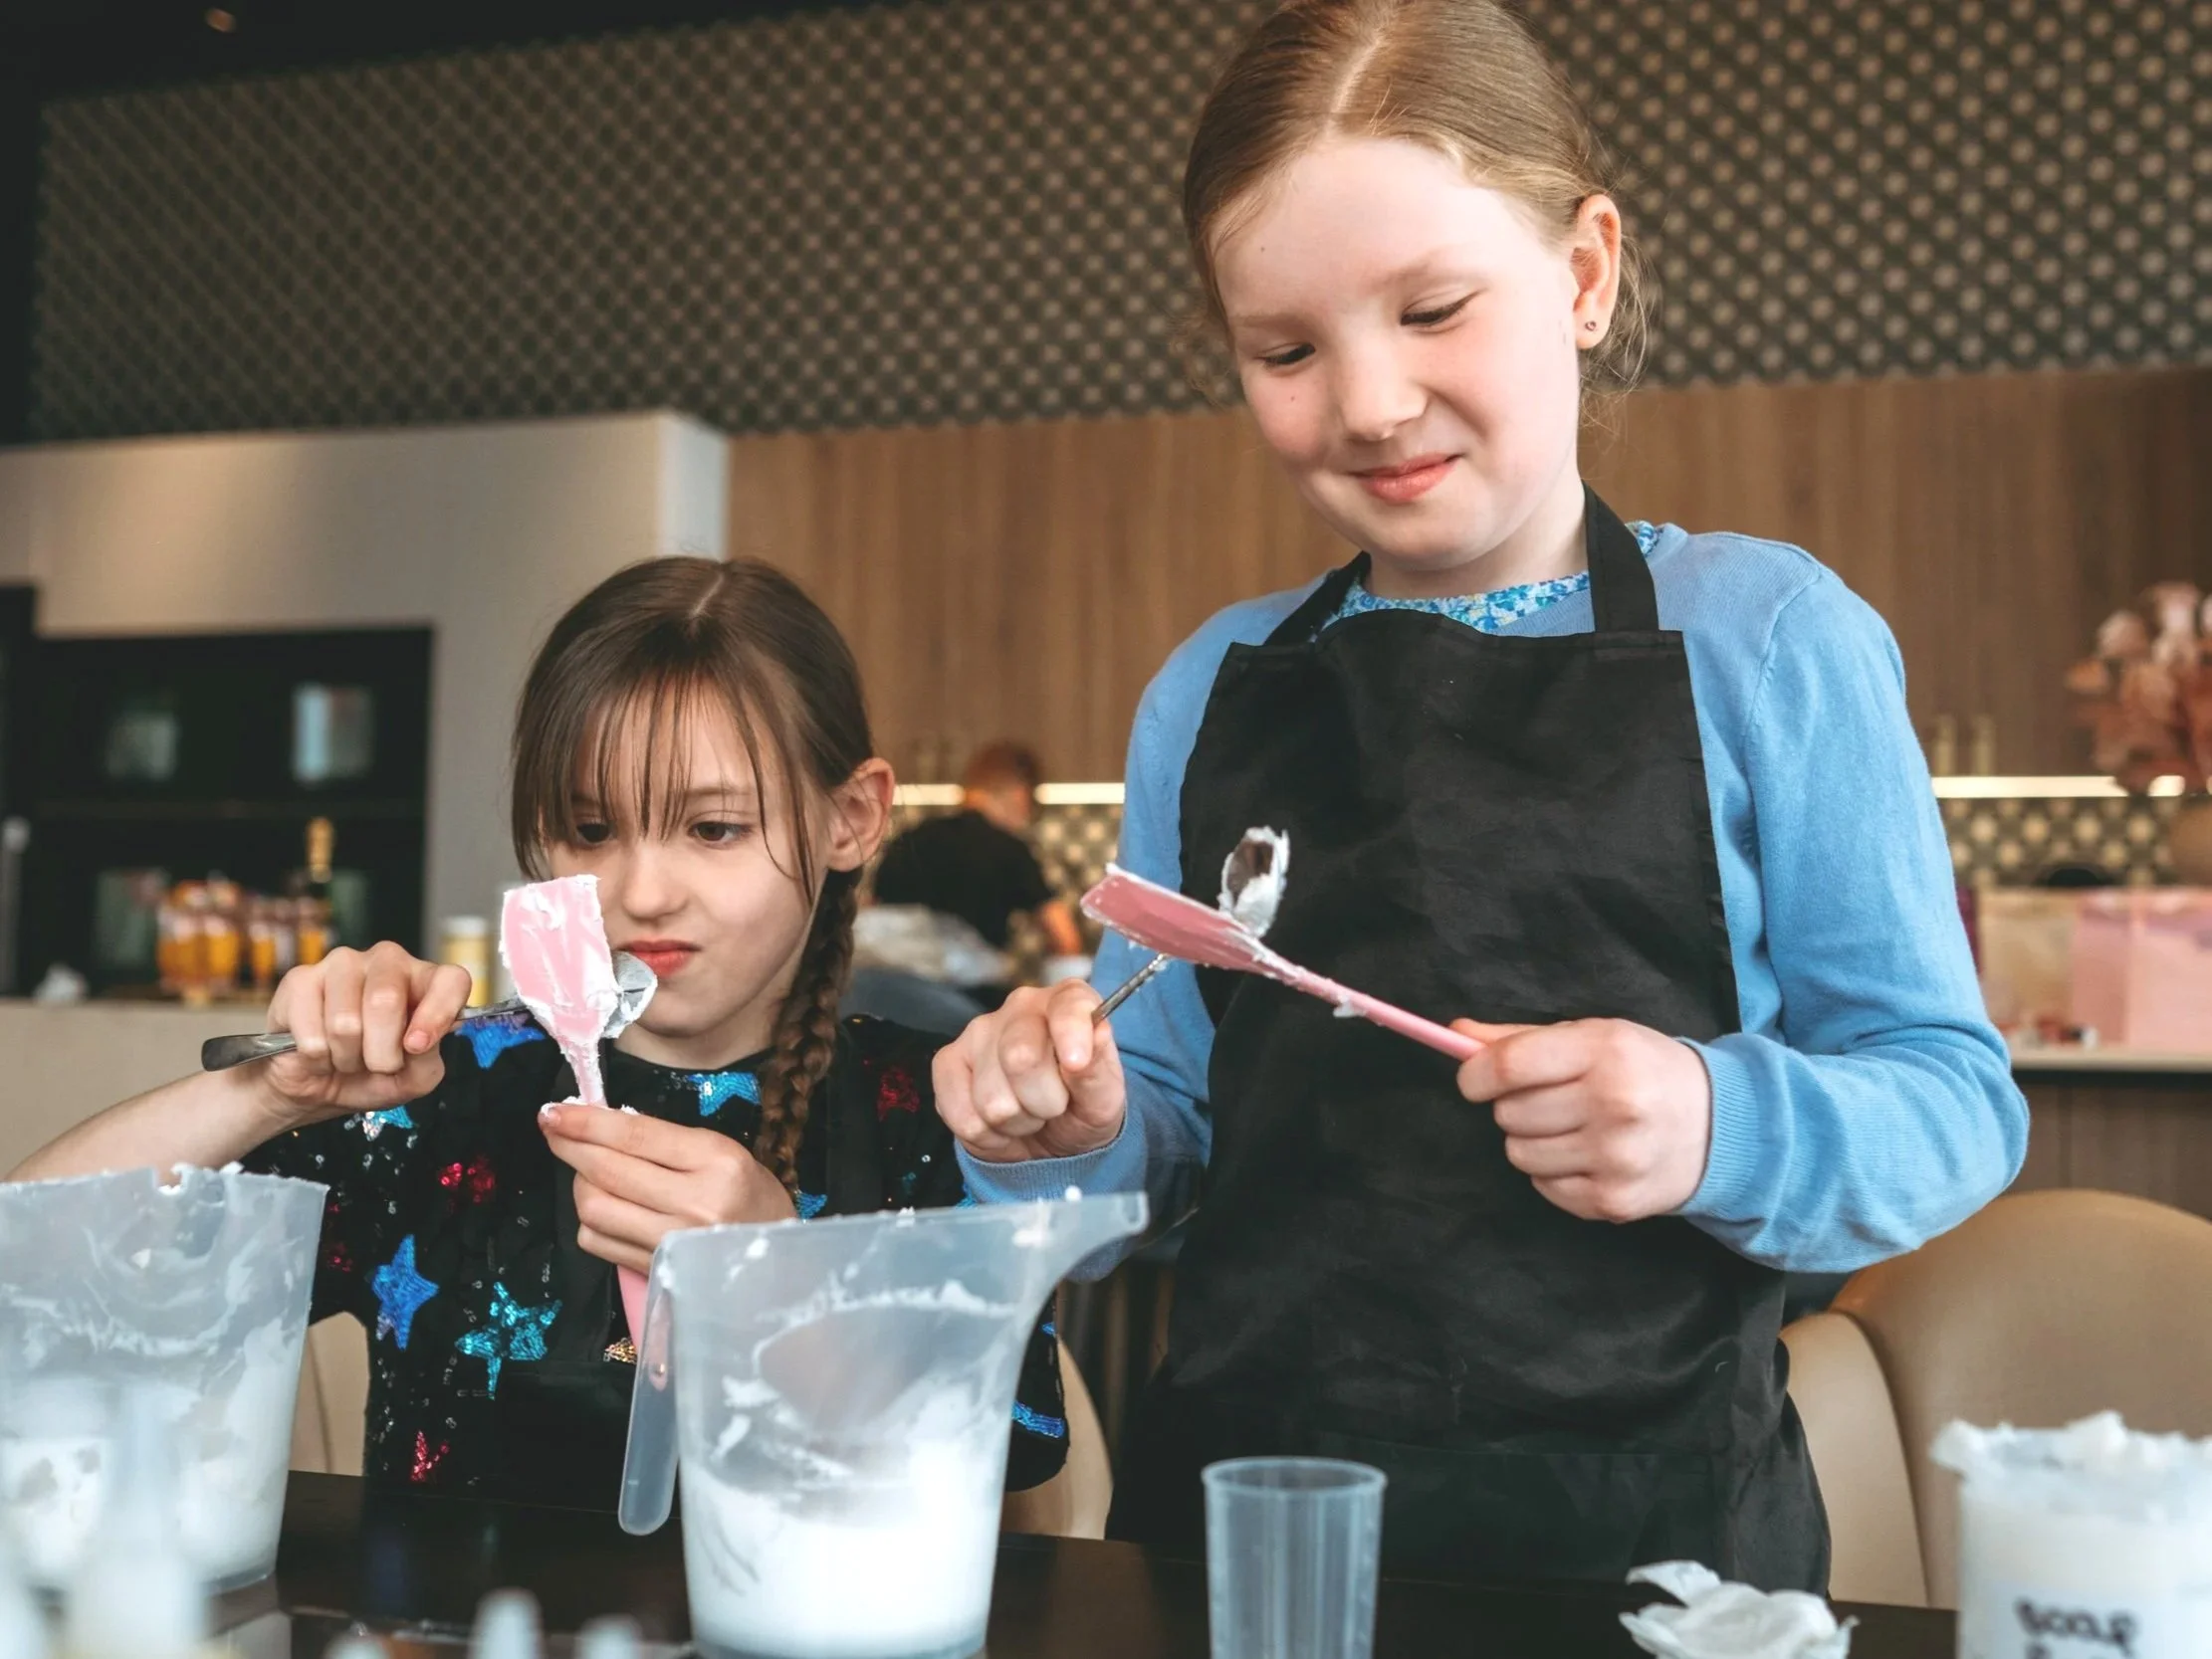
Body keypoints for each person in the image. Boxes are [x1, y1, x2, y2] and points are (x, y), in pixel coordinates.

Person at [934, 0, 2028, 1591]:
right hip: (1242, 1529)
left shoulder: (1767, 639)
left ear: (1582, 276)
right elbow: (1156, 1136)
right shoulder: (1214, 684)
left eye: (1432, 308)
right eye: (1286, 350)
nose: (1367, 403)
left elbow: (1950, 1100)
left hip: (1652, 1547)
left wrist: (1715, 1121)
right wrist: (1066, 1124)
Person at [9, 558, 1067, 1508]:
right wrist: (274, 1089)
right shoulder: (442, 1093)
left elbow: (997, 1461)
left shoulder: (927, 1109)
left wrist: (778, 1284)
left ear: (851, 816)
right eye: (591, 827)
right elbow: (35, 1274)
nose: (643, 889)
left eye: (712, 827)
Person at [871, 740, 1084, 1005]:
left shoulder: (913, 837)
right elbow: (1064, 937)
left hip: (878, 995)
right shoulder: (1010, 850)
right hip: (962, 1009)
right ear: (1020, 794)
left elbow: (871, 910)